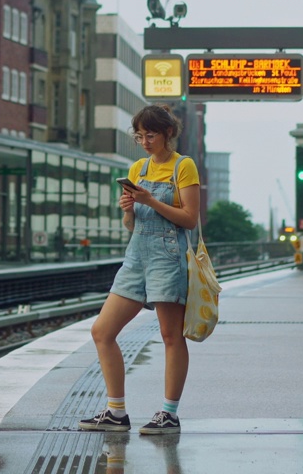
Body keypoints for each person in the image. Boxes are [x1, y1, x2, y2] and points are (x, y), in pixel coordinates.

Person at [79, 104, 200, 435]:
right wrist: (128, 210)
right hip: (136, 256)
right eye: (139, 135)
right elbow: (132, 225)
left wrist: (150, 201)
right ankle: (116, 412)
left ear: (168, 134)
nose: (144, 142)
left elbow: (189, 219)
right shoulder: (138, 167)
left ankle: (169, 414)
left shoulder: (183, 166)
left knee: (170, 335)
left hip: (167, 254)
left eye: (151, 135)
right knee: (102, 331)